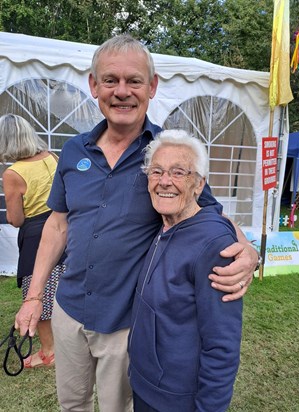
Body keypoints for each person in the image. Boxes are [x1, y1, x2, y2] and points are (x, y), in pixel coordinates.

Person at [14, 34, 258, 411]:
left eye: (134, 81)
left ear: (152, 86)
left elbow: (210, 210)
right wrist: (34, 297)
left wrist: (247, 249)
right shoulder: (74, 151)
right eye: (110, 80)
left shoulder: (167, 155)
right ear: (94, 86)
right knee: (71, 404)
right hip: (69, 309)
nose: (122, 92)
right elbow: (57, 225)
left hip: (125, 320)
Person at [128, 129, 243, 412]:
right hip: (146, 386)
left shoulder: (214, 246)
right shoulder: (163, 223)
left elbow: (222, 345)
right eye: (156, 172)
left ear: (199, 185)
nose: (164, 181)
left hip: (175, 401)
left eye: (179, 173)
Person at [0, 114, 66, 368]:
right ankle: (62, 344)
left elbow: (16, 219)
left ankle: (49, 351)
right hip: (63, 225)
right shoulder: (52, 157)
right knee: (60, 286)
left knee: (36, 290)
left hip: (37, 233)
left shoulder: (14, 173)